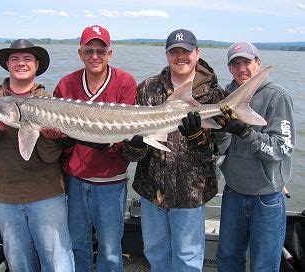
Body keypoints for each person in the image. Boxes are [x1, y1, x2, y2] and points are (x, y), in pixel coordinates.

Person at [0, 39, 75, 271]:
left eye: (27, 59)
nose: (20, 63)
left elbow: (52, 157)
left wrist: (52, 138)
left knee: (58, 264)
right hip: (7, 198)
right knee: (19, 264)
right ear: (7, 64)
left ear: (36, 65)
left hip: (47, 196)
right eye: (14, 58)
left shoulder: (49, 101)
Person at [122, 29, 225, 271]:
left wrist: (199, 139)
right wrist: (134, 144)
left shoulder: (213, 94)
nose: (181, 57)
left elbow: (217, 153)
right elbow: (131, 154)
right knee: (155, 254)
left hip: (190, 194)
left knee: (188, 259)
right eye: (174, 52)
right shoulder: (147, 88)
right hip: (152, 191)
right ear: (167, 55)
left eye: (186, 52)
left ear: (197, 53)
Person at [53, 25, 137, 272]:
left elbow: (126, 141)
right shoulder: (66, 83)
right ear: (80, 53)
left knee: (110, 251)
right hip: (76, 182)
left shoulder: (124, 81)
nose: (95, 56)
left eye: (101, 51)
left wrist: (107, 143)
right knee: (78, 245)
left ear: (110, 54)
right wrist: (63, 139)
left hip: (111, 182)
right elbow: (58, 140)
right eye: (89, 50)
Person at [215, 42, 296, 271]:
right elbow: (221, 149)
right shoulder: (225, 97)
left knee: (264, 265)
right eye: (235, 63)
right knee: (228, 258)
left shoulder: (277, 96)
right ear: (229, 68)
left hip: (266, 198)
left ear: (258, 63)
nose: (242, 68)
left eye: (247, 62)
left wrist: (245, 132)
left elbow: (282, 149)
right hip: (232, 192)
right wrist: (221, 132)